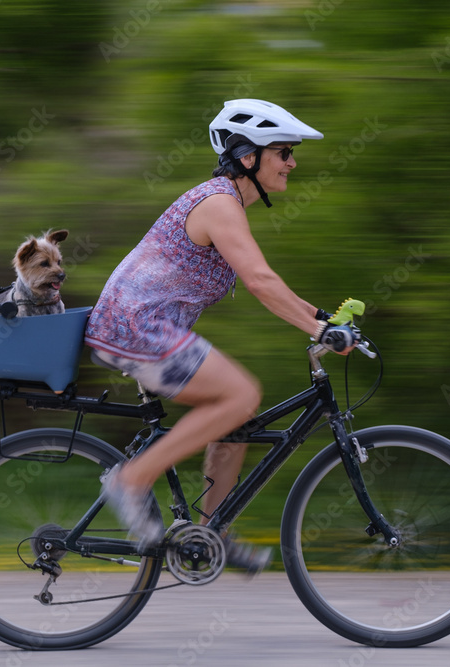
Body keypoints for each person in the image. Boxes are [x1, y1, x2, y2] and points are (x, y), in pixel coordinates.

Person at [84, 98, 352, 573]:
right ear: (248, 155)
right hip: (136, 328)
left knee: (235, 419)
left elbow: (268, 283)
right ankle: (130, 481)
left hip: (144, 329)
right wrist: (317, 329)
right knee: (241, 393)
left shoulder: (224, 204)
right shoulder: (218, 203)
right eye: (284, 152)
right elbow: (260, 282)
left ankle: (208, 538)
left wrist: (325, 318)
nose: (293, 162)